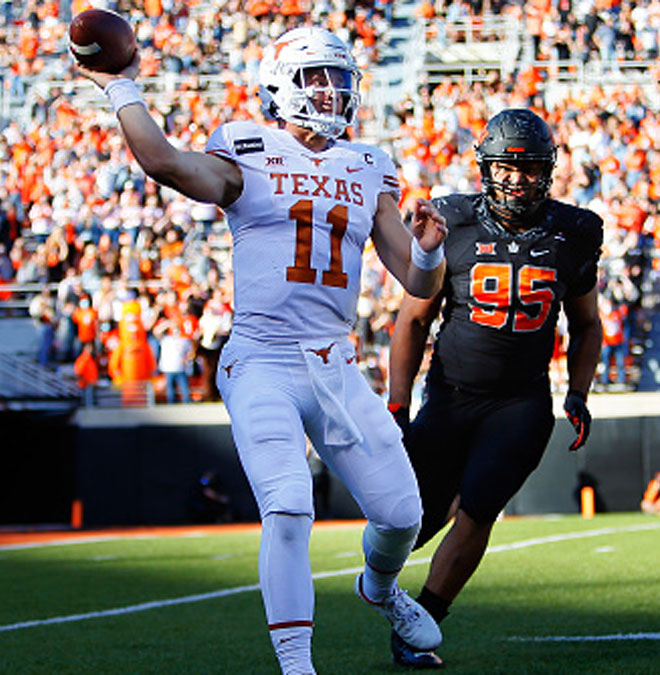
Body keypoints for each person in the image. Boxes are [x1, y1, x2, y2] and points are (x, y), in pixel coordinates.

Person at [76, 26, 449, 674]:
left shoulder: (367, 164)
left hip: (336, 363)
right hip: (263, 359)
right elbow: (164, 160)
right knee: (288, 500)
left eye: (340, 78)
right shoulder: (246, 146)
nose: (332, 90)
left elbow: (416, 282)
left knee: (400, 513)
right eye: (317, 78)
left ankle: (380, 589)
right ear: (282, 86)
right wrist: (119, 84)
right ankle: (297, 664)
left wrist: (428, 249)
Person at [386, 108, 603, 668]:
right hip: (451, 394)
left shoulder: (573, 231)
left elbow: (586, 324)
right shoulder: (452, 220)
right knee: (413, 515)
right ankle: (380, 582)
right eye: (506, 167)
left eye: (529, 168)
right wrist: (397, 401)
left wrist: (578, 392)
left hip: (521, 402)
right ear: (486, 168)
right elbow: (411, 319)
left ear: (547, 172)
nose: (517, 179)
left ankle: (422, 625)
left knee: (479, 506)